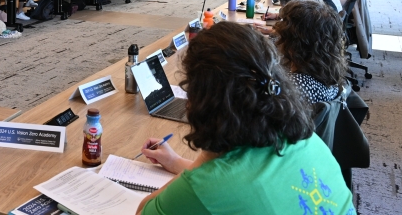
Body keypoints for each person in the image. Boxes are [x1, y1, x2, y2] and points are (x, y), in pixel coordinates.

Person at [138, 22, 353, 214]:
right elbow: (244, 178)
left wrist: (207, 155)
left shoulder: (208, 187)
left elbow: (143, 211)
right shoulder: (308, 141)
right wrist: (176, 162)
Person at [274, 0, 348, 104]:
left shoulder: (293, 87)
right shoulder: (328, 72)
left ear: (294, 43)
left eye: (282, 36)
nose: (278, 40)